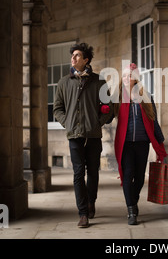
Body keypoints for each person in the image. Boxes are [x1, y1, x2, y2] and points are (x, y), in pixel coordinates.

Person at [53, 43, 113, 228]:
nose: (73, 58)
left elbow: (109, 109)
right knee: (78, 173)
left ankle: (91, 201)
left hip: (93, 136)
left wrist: (97, 122)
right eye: (72, 55)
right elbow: (57, 109)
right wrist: (68, 123)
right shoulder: (64, 82)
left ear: (86, 60)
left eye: (77, 55)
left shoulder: (99, 81)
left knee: (93, 173)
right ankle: (82, 213)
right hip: (74, 136)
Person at [113, 63, 168, 225]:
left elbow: (153, 120)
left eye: (129, 75)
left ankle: (133, 199)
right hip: (126, 143)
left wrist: (160, 143)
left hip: (143, 143)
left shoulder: (146, 96)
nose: (126, 78)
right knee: (128, 174)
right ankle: (131, 210)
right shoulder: (117, 97)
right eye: (123, 75)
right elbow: (108, 115)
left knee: (139, 178)